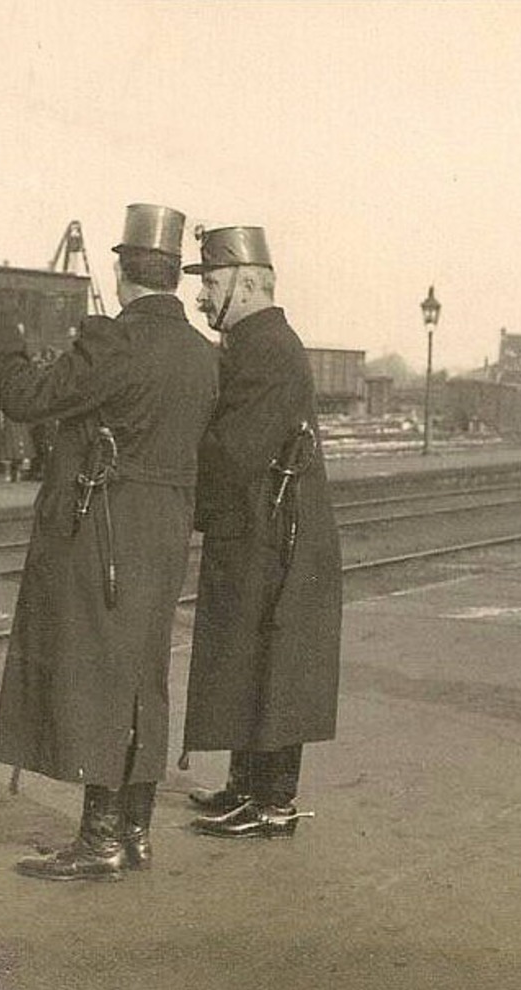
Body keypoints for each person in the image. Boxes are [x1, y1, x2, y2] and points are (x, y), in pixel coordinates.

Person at [0, 203, 219, 881]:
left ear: (122, 273)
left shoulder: (114, 343)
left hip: (106, 523)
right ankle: (135, 833)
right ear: (173, 275)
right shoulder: (203, 356)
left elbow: (26, 397)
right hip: (165, 526)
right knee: (143, 672)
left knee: (97, 674)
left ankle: (97, 842)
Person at [180, 226, 342, 839]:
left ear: (247, 284)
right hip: (265, 530)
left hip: (277, 537)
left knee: (273, 660)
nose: (201, 297)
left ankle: (272, 802)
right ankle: (247, 787)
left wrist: (175, 488)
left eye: (211, 283)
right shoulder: (258, 342)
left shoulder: (267, 348)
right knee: (252, 656)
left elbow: (233, 451)